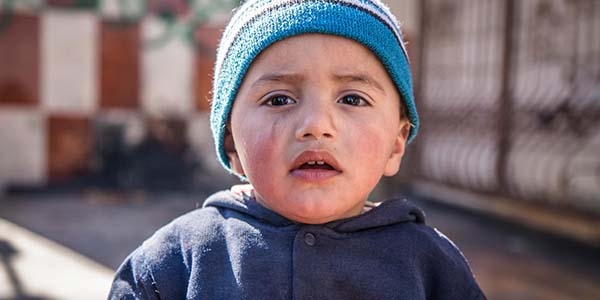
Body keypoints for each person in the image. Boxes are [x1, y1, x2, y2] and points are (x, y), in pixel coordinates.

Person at [109, 0, 486, 299]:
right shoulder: (175, 263)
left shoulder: (432, 267)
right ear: (230, 142)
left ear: (397, 143)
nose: (316, 126)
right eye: (278, 100)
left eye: (352, 98)